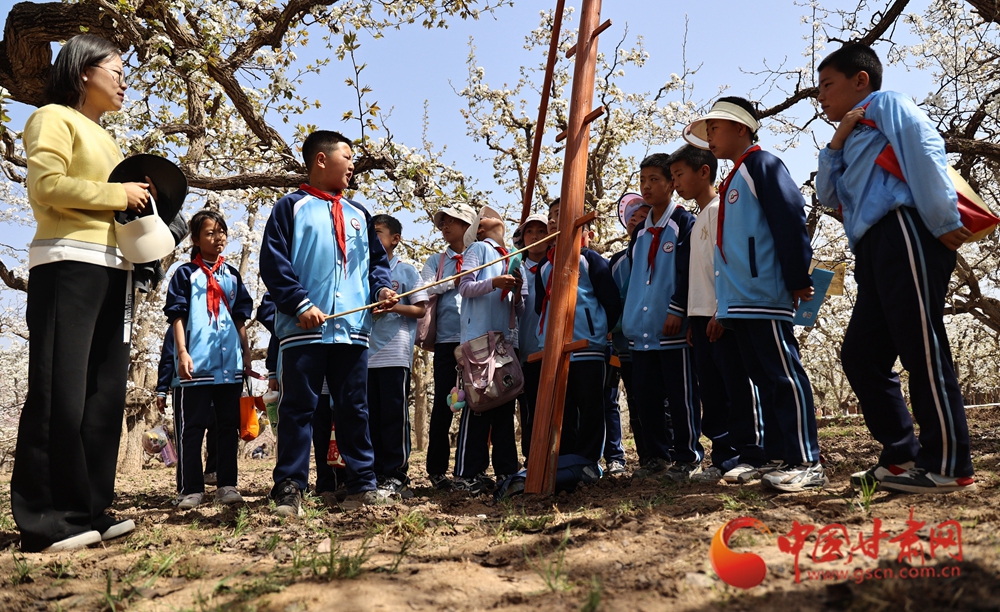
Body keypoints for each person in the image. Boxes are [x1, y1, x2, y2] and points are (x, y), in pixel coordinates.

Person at [12, 34, 153, 552]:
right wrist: (119, 193)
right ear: (82, 72)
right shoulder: (52, 117)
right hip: (67, 262)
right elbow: (47, 186)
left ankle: (88, 507)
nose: (123, 80)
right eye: (114, 69)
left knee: (104, 394)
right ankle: (44, 519)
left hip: (113, 269)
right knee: (60, 393)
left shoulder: (108, 137)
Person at [816, 43, 975, 493]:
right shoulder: (852, 128)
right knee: (861, 356)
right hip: (871, 245)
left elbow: (924, 151)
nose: (821, 97)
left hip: (905, 229)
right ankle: (902, 456)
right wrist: (837, 140)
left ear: (860, 80)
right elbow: (828, 197)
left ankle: (948, 463)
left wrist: (943, 220)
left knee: (920, 345)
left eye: (828, 85)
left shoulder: (886, 104)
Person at [685, 96, 824, 492]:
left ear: (741, 128)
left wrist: (797, 276)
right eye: (707, 130)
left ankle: (806, 459)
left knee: (783, 376)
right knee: (763, 379)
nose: (710, 136)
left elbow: (788, 218)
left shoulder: (763, 165)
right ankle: (778, 456)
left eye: (716, 128)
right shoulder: (733, 177)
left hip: (765, 295)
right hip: (739, 302)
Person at [260, 130, 398, 516]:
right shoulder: (290, 207)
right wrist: (300, 303)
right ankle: (290, 485)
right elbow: (274, 263)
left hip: (352, 329)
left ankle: (362, 483)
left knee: (355, 407)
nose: (353, 165)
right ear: (321, 160)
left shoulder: (360, 214)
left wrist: (382, 292)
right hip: (302, 331)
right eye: (348, 156)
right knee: (298, 408)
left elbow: (376, 265)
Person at [669, 144, 766, 484]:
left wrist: (720, 311)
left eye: (679, 174)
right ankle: (724, 457)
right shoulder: (698, 219)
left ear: (704, 172)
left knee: (735, 386)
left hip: (721, 314)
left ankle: (749, 453)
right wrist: (695, 316)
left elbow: (726, 266)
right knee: (711, 391)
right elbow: (698, 273)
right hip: (701, 316)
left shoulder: (720, 209)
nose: (675, 182)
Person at [164, 209, 253, 510]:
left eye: (222, 232)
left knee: (227, 426)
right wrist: (183, 353)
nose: (218, 239)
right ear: (196, 238)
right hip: (195, 365)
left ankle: (227, 485)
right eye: (210, 233)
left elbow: (239, 317)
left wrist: (246, 353)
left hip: (229, 365)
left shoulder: (232, 275)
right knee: (193, 427)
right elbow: (176, 316)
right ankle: (191, 488)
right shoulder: (185, 274)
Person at [621, 154, 701, 480]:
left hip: (672, 329)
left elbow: (689, 272)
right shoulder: (639, 232)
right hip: (640, 331)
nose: (647, 186)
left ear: (672, 182)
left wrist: (678, 309)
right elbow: (636, 278)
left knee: (681, 397)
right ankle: (657, 456)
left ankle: (688, 457)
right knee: (646, 396)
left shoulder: (684, 223)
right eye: (643, 180)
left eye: (655, 179)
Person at [535, 219, 622, 465]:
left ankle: (588, 460)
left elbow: (610, 299)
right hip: (555, 350)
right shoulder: (544, 265)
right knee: (563, 406)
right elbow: (540, 306)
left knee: (591, 405)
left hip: (588, 346)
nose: (555, 222)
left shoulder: (590, 259)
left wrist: (600, 330)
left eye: (561, 216)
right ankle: (565, 459)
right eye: (552, 217)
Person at [453, 205, 522, 494]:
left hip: (503, 339)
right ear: (480, 228)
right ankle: (468, 473)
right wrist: (494, 282)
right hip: (479, 338)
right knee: (478, 405)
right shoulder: (479, 249)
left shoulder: (513, 256)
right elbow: (464, 287)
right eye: (486, 216)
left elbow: (519, 302)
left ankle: (507, 471)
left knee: (505, 402)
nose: (494, 215)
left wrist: (516, 289)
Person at [368, 214, 429, 499]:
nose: (372, 238)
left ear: (395, 239)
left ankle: (396, 475)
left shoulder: (406, 271)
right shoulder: (362, 272)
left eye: (378, 232)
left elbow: (420, 310)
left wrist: (392, 308)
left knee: (393, 416)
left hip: (394, 353)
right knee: (369, 417)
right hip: (364, 353)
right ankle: (373, 473)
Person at [420, 203, 477, 490]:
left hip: (477, 338)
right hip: (446, 341)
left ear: (468, 226)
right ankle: (437, 471)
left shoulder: (481, 254)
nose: (444, 226)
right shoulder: (436, 260)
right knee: (443, 406)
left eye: (451, 221)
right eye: (442, 222)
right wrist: (451, 281)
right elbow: (424, 288)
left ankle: (472, 470)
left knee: (479, 403)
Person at [609, 198, 651, 471]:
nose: (636, 219)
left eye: (644, 215)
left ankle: (672, 451)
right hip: (626, 342)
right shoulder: (616, 261)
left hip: (659, 337)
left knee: (664, 399)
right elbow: (611, 301)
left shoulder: (661, 249)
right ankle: (648, 456)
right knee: (636, 399)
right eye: (632, 217)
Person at [156, 327, 220, 493]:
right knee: (187, 436)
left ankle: (214, 472)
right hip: (182, 385)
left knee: (219, 428)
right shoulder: (178, 326)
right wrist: (162, 389)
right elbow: (168, 357)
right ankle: (188, 486)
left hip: (215, 384)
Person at [513, 212, 549, 461]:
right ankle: (531, 457)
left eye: (541, 232)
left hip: (552, 346)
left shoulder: (557, 266)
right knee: (528, 409)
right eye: (529, 232)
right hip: (524, 349)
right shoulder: (515, 269)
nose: (535, 237)